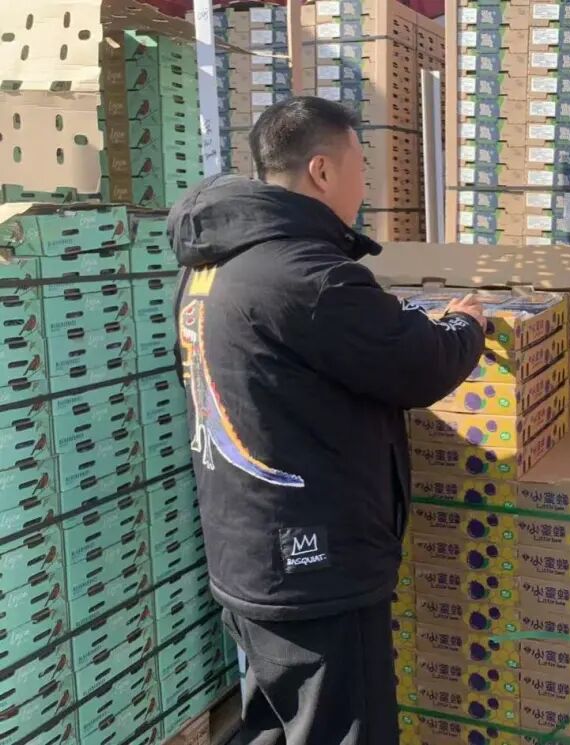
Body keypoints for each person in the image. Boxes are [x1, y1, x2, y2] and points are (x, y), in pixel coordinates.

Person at [167, 97, 486, 745]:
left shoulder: (210, 267)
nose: (365, 184)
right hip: (315, 567)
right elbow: (419, 364)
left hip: (248, 555)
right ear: (321, 170)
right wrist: (465, 325)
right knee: (343, 728)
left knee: (275, 724)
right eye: (360, 166)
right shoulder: (306, 276)